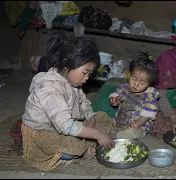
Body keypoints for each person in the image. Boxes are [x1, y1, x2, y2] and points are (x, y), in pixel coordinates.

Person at [21, 32, 115, 172]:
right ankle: (79, 152)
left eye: (89, 74)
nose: (87, 78)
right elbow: (65, 126)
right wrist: (97, 134)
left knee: (102, 118)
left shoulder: (72, 81)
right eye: (85, 72)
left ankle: (87, 141)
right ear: (67, 65)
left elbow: (83, 102)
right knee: (74, 145)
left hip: (65, 124)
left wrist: (91, 117)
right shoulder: (49, 87)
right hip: (42, 132)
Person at [108, 52, 160, 140]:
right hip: (119, 121)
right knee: (104, 122)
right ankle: (113, 133)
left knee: (131, 133)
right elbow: (112, 98)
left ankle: (114, 136)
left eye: (142, 83)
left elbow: (144, 118)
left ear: (149, 84)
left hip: (137, 126)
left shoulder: (149, 98)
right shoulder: (125, 88)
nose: (136, 84)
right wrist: (116, 99)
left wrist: (132, 125)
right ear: (129, 75)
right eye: (133, 79)